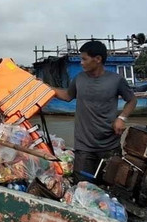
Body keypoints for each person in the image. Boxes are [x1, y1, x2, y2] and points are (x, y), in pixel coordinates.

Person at [52, 40, 137, 183]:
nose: (81, 62)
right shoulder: (79, 79)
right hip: (84, 146)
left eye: (84, 59)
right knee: (83, 186)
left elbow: (132, 100)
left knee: (111, 186)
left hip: (109, 145)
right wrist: (48, 88)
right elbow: (67, 96)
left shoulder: (116, 80)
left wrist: (121, 118)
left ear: (98, 59)